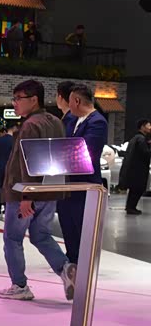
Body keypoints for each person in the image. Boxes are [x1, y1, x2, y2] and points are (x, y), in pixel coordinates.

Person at [0, 79, 76, 301]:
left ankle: (19, 285)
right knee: (41, 235)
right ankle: (65, 268)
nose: (15, 103)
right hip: (50, 191)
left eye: (18, 98)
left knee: (13, 238)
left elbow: (26, 163)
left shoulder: (30, 125)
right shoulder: (56, 121)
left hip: (25, 193)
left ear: (34, 100)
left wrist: (27, 196)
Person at [55, 84, 108, 266]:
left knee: (82, 228)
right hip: (68, 184)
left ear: (77, 101)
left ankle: (83, 266)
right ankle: (73, 263)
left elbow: (86, 152)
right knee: (68, 226)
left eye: (69, 101)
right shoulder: (73, 119)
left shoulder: (97, 122)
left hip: (85, 185)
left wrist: (60, 155)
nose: (68, 105)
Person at [119, 119, 151, 214]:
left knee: (134, 189)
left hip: (134, 168)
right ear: (142, 127)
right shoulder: (141, 139)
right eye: (148, 125)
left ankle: (130, 207)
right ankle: (131, 208)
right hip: (138, 170)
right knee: (137, 189)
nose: (150, 128)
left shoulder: (136, 138)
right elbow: (146, 153)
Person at [0, 122, 17, 217]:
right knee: (8, 187)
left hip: (0, 165)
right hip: (10, 166)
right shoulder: (13, 140)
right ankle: (6, 207)